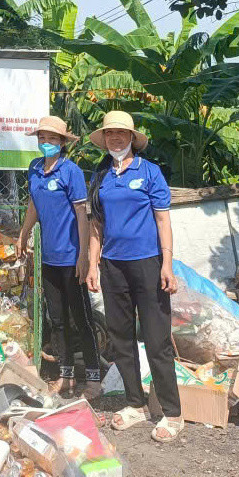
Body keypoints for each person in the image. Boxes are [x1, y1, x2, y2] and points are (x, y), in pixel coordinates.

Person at [85, 111, 182, 442]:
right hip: (113, 267)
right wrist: (92, 264)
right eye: (109, 133)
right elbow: (96, 225)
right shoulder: (101, 176)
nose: (115, 138)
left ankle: (172, 413)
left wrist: (167, 265)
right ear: (105, 138)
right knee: (121, 338)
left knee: (156, 340)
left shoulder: (150, 172)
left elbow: (163, 221)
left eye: (120, 133)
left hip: (148, 264)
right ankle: (135, 404)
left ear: (132, 138)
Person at [17, 116, 101, 398]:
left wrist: (84, 256)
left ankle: (93, 379)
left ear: (63, 143)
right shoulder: (34, 169)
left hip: (71, 258)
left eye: (53, 139)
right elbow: (33, 205)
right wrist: (22, 234)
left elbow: (82, 214)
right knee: (57, 319)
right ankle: (66, 377)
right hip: (49, 259)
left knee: (82, 318)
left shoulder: (71, 172)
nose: (47, 143)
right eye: (42, 138)